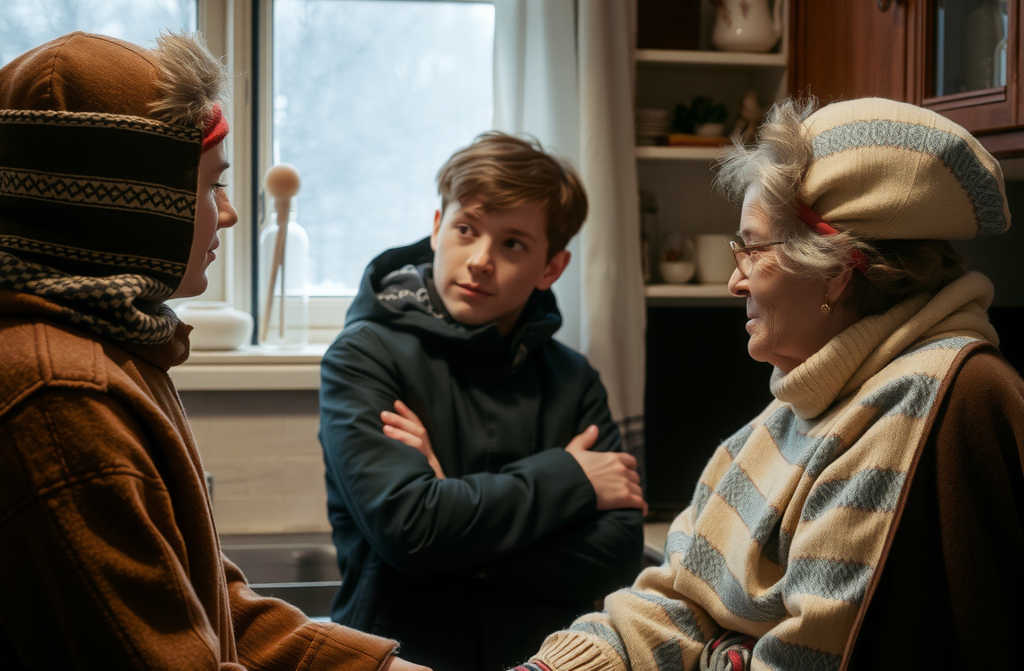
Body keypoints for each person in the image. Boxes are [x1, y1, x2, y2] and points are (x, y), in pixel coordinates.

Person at [512, 97, 1024, 671]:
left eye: (753, 249)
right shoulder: (814, 399)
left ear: (836, 269)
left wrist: (718, 650)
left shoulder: (927, 401)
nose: (735, 281)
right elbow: (678, 598)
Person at [0, 31, 427, 670]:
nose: (227, 214)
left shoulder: (109, 344)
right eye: (207, 187)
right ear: (124, 204)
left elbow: (208, 601)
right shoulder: (62, 391)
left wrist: (386, 668)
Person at [318, 131, 646, 670]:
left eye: (512, 243)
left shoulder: (573, 377)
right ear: (436, 228)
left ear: (551, 268)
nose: (480, 260)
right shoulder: (363, 356)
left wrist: (451, 519)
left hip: (544, 662)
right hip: (399, 662)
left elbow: (616, 554)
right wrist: (569, 478)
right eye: (466, 229)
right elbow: (411, 531)